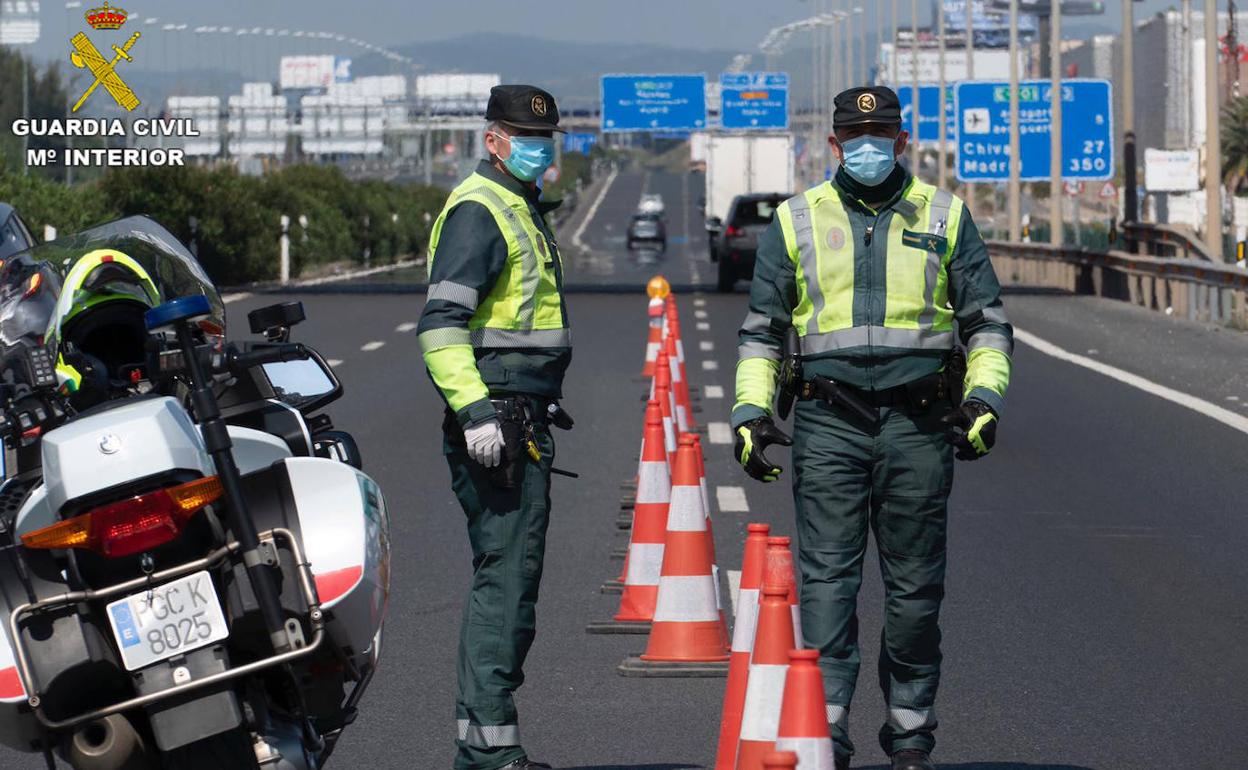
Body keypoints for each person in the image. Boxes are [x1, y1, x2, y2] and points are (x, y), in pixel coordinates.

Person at [731, 85, 1013, 770]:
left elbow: (987, 325)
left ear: (902, 141)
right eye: (856, 136)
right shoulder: (796, 220)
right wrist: (748, 412)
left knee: (916, 590)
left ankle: (911, 728)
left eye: (882, 133)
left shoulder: (945, 216)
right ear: (832, 145)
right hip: (830, 424)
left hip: (919, 427)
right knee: (828, 583)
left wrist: (985, 401)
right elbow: (763, 334)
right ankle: (823, 729)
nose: (868, 146)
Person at [417, 84, 571, 770]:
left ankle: (489, 747)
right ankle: (485, 754)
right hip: (498, 423)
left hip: (521, 416)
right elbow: (440, 326)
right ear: (494, 140)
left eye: (545, 139)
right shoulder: (481, 210)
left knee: (512, 580)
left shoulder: (520, 207)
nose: (538, 149)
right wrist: (477, 413)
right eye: (524, 137)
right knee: (504, 582)